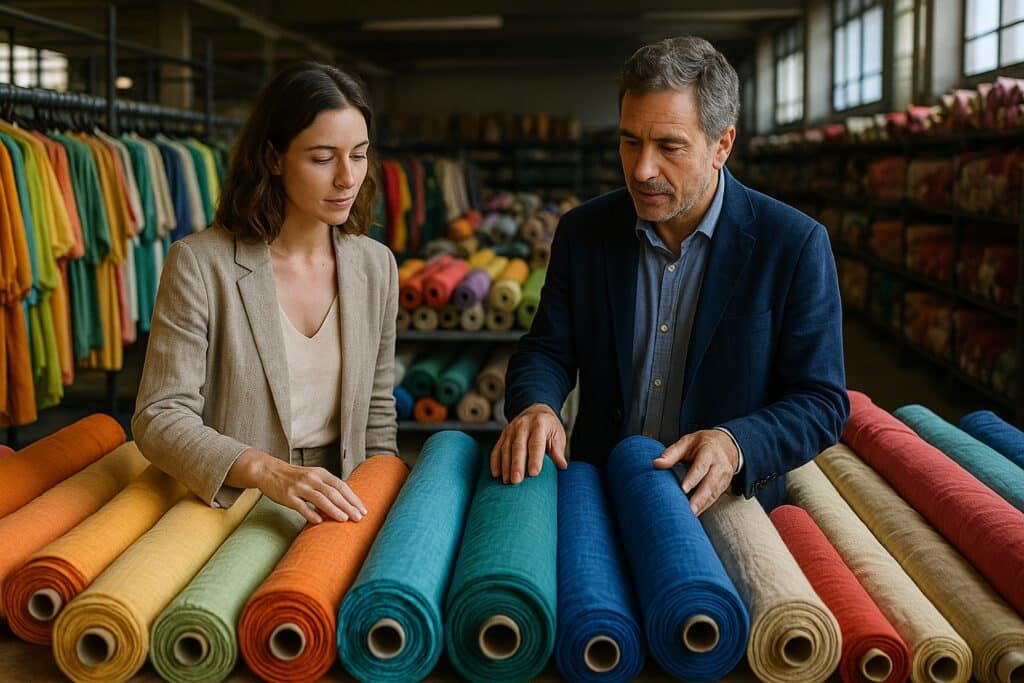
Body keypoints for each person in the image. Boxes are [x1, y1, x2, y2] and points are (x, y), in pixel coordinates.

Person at [493, 36, 848, 513]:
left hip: (721, 506)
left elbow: (821, 401)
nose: (642, 170)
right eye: (630, 142)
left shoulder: (793, 244)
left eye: (669, 147)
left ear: (722, 144)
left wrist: (735, 442)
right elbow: (547, 350)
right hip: (602, 493)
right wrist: (537, 405)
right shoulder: (584, 232)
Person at [132, 62, 398, 525]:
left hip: (344, 507)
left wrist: (380, 505)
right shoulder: (201, 263)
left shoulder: (375, 266)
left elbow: (377, 413)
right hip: (233, 506)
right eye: (322, 158)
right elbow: (159, 416)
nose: (347, 178)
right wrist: (264, 470)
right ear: (273, 158)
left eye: (358, 155)